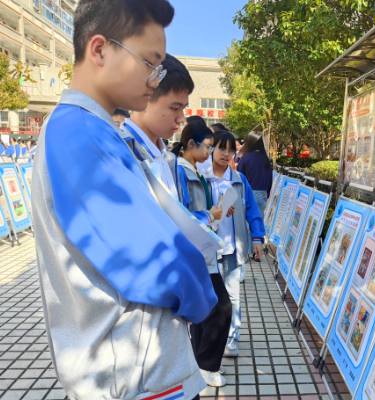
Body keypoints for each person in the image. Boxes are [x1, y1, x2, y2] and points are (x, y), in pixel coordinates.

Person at [31, 1, 216, 399]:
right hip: (133, 372)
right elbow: (152, 259)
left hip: (128, 368)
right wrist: (203, 297)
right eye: (151, 62)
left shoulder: (85, 128)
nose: (155, 78)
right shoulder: (79, 133)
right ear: (99, 50)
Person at [173, 123, 234, 388]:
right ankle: (207, 366)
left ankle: (200, 364)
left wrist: (217, 214)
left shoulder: (193, 171)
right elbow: (182, 213)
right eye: (208, 146)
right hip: (195, 251)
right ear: (190, 145)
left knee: (207, 309)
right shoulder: (181, 172)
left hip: (203, 249)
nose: (211, 152)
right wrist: (211, 215)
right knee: (221, 308)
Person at [209, 131, 265, 358]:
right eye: (221, 148)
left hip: (232, 250)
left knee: (233, 297)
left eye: (231, 150)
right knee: (212, 298)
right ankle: (212, 339)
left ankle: (232, 339)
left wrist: (257, 238)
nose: (226, 154)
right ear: (211, 148)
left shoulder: (239, 181)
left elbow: (252, 210)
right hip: (209, 252)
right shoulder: (201, 178)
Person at [119, 54, 193, 199]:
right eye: (174, 108)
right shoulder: (119, 153)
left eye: (183, 108)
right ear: (145, 97)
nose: (182, 118)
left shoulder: (170, 159)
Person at [238, 131, 273, 215]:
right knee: (258, 224)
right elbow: (270, 178)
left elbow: (239, 178)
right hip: (263, 194)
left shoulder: (245, 158)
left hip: (248, 193)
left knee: (247, 224)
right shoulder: (265, 159)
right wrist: (266, 194)